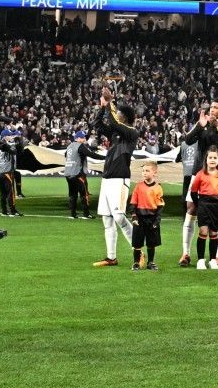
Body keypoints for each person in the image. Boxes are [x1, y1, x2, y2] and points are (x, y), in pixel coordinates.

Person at [179, 101, 218, 266]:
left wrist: (216, 127)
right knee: (191, 208)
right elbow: (187, 141)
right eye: (211, 107)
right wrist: (199, 126)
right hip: (199, 173)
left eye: (216, 107)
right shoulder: (203, 123)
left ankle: (216, 255)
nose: (212, 109)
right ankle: (186, 253)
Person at [90, 90, 142, 269]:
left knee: (119, 217)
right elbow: (97, 125)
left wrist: (110, 102)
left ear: (125, 117)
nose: (116, 115)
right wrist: (102, 107)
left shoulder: (131, 132)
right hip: (107, 178)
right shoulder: (116, 133)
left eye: (119, 113)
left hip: (120, 179)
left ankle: (138, 250)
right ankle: (111, 257)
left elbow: (112, 121)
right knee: (107, 219)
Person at [188, 149, 218, 270]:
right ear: (205, 160)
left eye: (215, 158)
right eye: (210, 158)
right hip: (203, 204)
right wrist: (199, 204)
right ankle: (200, 260)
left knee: (214, 233)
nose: (212, 160)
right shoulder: (200, 174)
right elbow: (194, 192)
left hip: (216, 206)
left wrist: (216, 202)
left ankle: (212, 260)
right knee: (203, 231)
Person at [128, 160, 164, 271]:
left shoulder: (158, 187)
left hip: (152, 219)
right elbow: (133, 202)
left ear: (154, 173)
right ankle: (136, 263)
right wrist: (134, 216)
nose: (144, 173)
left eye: (147, 171)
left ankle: (151, 262)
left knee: (151, 242)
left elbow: (160, 206)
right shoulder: (138, 187)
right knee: (137, 242)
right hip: (139, 218)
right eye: (143, 171)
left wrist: (157, 220)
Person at [62, 130, 94, 220]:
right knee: (84, 194)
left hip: (68, 173)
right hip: (78, 174)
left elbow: (65, 155)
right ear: (78, 138)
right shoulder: (80, 146)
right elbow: (91, 154)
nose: (84, 139)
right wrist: (105, 157)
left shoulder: (69, 146)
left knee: (72, 194)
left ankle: (73, 214)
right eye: (83, 137)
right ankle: (86, 214)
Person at [0, 127, 23, 217]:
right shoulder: (4, 145)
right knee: (11, 192)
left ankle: (4, 211)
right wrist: (17, 140)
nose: (11, 137)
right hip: (7, 171)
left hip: (0, 171)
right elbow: (15, 150)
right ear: (5, 136)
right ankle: (13, 210)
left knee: (3, 192)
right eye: (9, 136)